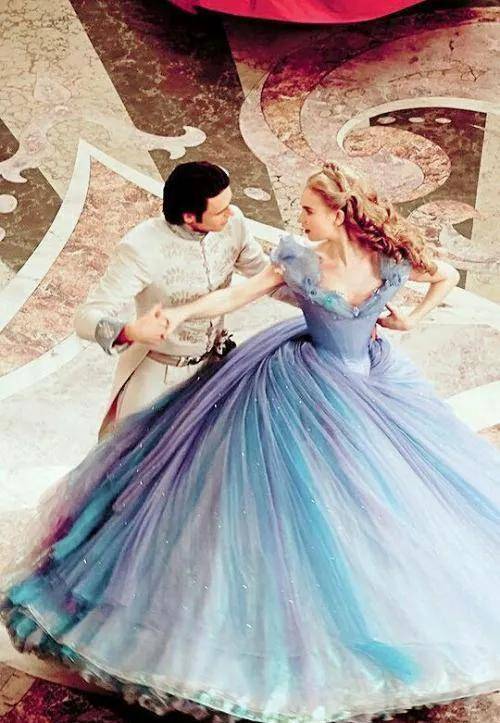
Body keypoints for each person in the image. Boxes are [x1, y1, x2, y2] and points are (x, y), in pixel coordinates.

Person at [4, 163, 500, 723]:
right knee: (258, 496)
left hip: (368, 382)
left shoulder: (385, 253)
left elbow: (445, 275)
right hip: (301, 379)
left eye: (308, 209)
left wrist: (411, 318)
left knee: (374, 497)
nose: (297, 217)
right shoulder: (299, 258)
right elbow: (238, 296)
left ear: (339, 214)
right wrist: (180, 313)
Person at [74, 161, 281, 436]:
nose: (230, 213)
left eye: (229, 204)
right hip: (159, 378)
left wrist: (323, 301)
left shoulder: (233, 224)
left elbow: (265, 276)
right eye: (220, 211)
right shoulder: (142, 248)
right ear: (189, 217)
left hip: (213, 372)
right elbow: (84, 319)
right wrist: (129, 331)